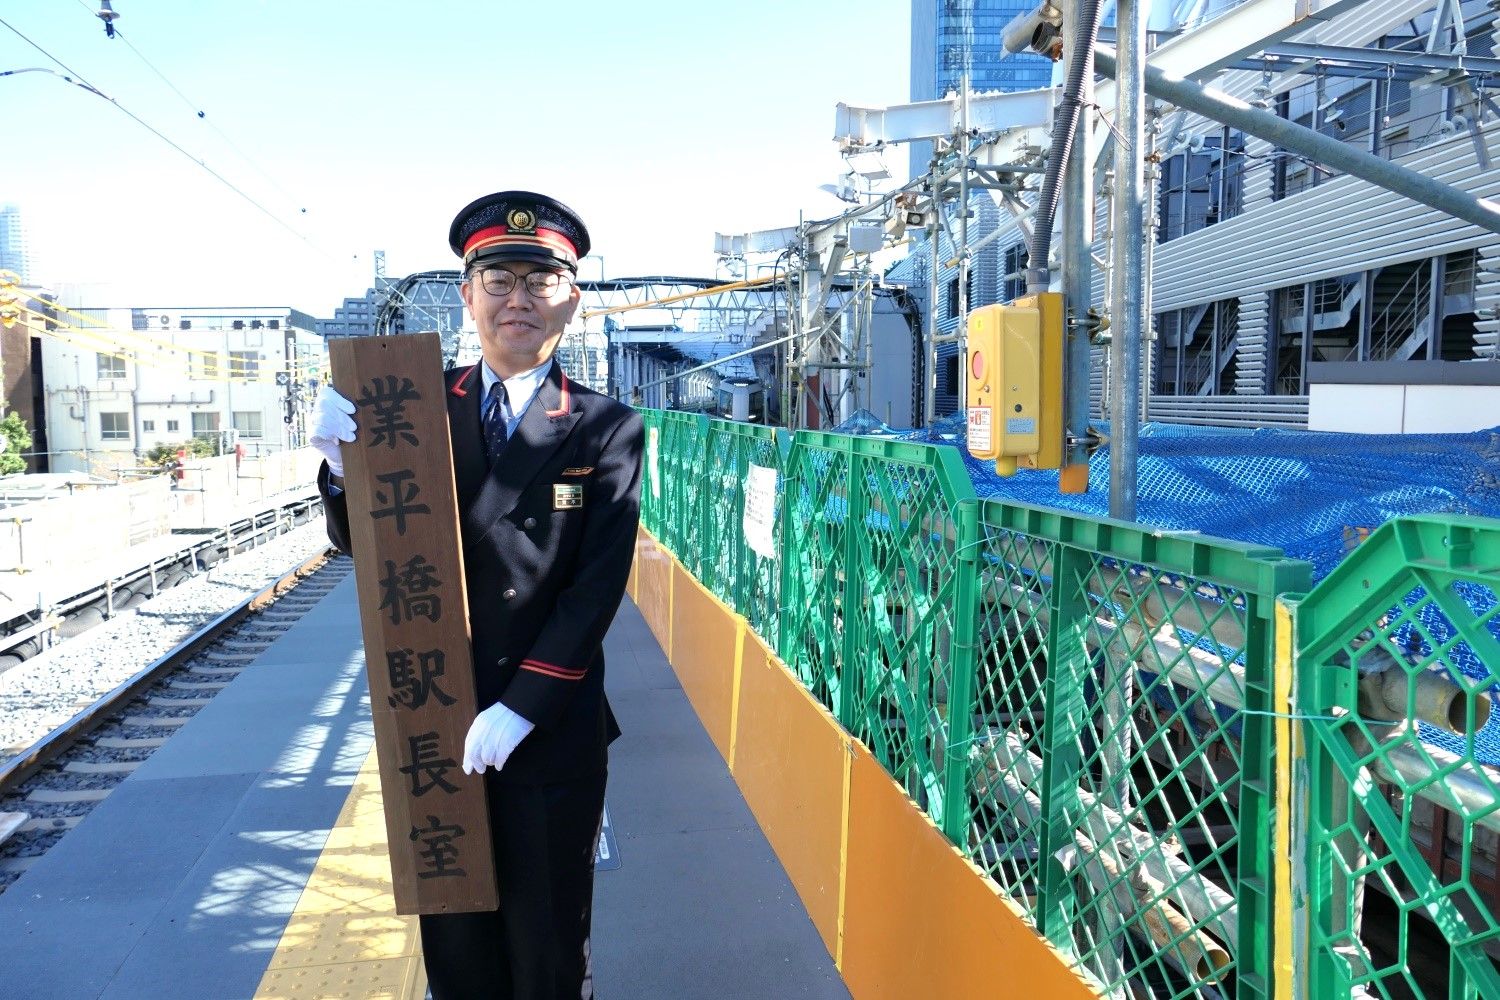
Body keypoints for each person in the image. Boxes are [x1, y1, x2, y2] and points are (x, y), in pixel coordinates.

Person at [310, 191, 644, 1000]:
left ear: (572, 295)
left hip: (547, 728)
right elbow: (374, 550)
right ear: (467, 296)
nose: (517, 299)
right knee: (456, 950)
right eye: (497, 278)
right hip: (434, 718)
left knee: (549, 950)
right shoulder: (412, 408)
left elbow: (594, 592)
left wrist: (522, 704)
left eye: (541, 278)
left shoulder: (605, 427)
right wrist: (335, 470)